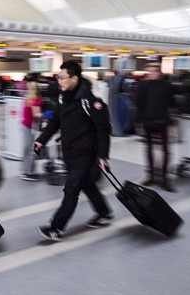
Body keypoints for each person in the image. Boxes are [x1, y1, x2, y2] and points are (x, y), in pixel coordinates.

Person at [33, 61, 113, 242]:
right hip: (69, 151)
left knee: (71, 190)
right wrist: (41, 140)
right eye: (58, 77)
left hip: (85, 154)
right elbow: (55, 122)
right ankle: (105, 213)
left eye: (62, 78)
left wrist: (102, 156)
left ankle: (56, 228)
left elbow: (103, 129)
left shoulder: (91, 101)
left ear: (74, 78)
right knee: (88, 186)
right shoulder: (63, 97)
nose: (59, 81)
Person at [135, 63, 177, 192]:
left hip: (162, 121)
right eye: (149, 71)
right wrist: (138, 120)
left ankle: (164, 178)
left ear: (159, 72)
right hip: (148, 121)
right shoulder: (143, 86)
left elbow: (171, 102)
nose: (152, 73)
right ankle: (151, 175)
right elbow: (139, 103)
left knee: (165, 150)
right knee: (148, 149)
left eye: (154, 71)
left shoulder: (166, 86)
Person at [20, 81, 43, 181]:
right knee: (31, 149)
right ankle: (28, 172)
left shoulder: (27, 98)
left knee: (27, 149)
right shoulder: (36, 100)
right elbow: (36, 114)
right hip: (29, 127)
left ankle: (25, 171)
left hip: (25, 125)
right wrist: (48, 115)